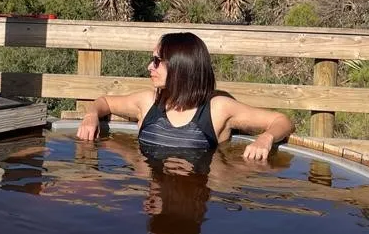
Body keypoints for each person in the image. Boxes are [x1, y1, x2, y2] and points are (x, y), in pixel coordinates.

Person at [76, 31, 294, 160]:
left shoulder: (217, 108)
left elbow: (281, 121)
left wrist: (265, 139)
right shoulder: (149, 101)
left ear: (181, 67)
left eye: (156, 61)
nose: (149, 67)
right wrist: (91, 115)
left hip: (197, 186)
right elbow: (103, 102)